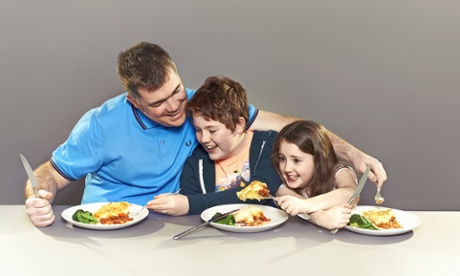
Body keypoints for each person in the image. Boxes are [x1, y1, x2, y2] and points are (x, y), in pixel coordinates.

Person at [24, 42, 386, 227]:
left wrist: (352, 155)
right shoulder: (100, 125)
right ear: (134, 100)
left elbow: (292, 126)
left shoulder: (202, 107)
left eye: (177, 90)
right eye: (159, 103)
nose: (175, 107)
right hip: (106, 225)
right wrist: (39, 196)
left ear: (178, 73)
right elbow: (49, 175)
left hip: (176, 224)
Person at [147, 76, 282, 215]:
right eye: (198, 130)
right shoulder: (195, 163)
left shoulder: (270, 145)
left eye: (212, 130)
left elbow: (258, 192)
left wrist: (190, 204)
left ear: (239, 125)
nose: (204, 139)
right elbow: (194, 219)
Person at [272, 120, 359, 230]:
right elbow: (298, 205)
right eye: (282, 159)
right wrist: (323, 218)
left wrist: (307, 205)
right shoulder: (281, 183)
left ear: (318, 160)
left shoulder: (338, 172)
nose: (287, 168)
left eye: (297, 160)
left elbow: (352, 193)